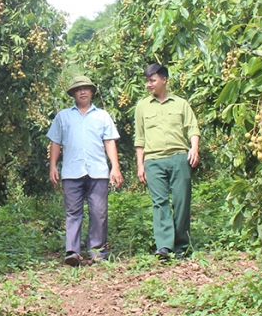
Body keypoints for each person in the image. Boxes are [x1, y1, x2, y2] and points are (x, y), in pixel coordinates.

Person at [47, 75, 123, 266]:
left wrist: (115, 167)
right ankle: (72, 251)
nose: (82, 92)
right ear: (73, 93)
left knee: (99, 212)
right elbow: (55, 142)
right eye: (79, 89)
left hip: (97, 172)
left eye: (86, 89)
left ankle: (97, 252)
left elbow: (109, 141)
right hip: (72, 172)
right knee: (73, 212)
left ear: (91, 92)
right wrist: (53, 166)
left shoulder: (102, 116)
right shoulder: (63, 116)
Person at [134, 63, 200, 260]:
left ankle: (182, 246)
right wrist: (140, 164)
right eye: (147, 81)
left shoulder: (181, 104)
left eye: (152, 80)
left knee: (181, 201)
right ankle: (164, 246)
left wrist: (194, 148)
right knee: (159, 203)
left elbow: (193, 128)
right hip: (153, 160)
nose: (149, 84)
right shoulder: (142, 106)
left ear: (164, 80)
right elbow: (140, 138)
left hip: (179, 157)